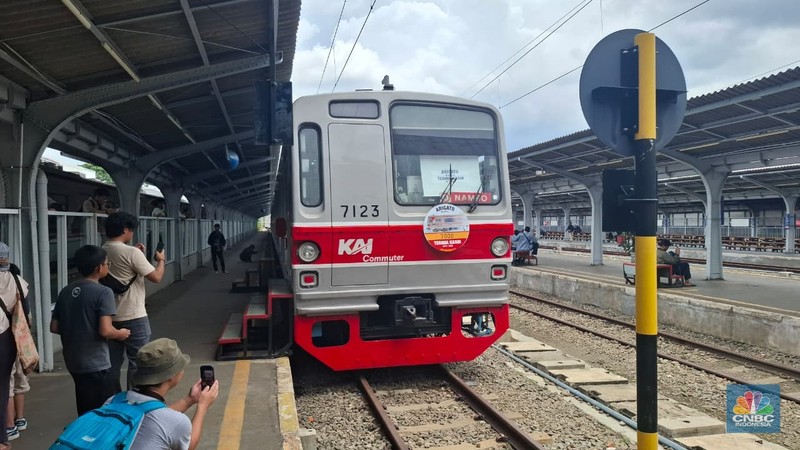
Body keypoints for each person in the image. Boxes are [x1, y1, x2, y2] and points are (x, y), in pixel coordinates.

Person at [51, 245, 131, 415]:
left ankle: (85, 436)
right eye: (107, 264)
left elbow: (55, 327)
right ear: (99, 268)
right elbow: (105, 330)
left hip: (73, 361)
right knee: (105, 409)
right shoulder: (103, 292)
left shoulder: (65, 291)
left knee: (85, 405)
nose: (108, 267)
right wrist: (121, 334)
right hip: (97, 363)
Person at [102, 212, 166, 389]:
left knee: (112, 364)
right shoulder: (131, 253)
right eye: (131, 230)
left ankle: (113, 399)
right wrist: (161, 261)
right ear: (125, 229)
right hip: (134, 316)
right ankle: (133, 399)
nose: (132, 234)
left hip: (108, 318)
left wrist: (135, 253)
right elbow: (156, 277)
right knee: (138, 362)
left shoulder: (101, 250)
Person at [121, 338, 219, 450]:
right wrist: (202, 406)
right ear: (171, 376)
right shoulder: (175, 421)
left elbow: (151, 414)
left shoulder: (114, 400)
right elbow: (189, 446)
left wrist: (189, 400)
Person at [0, 243, 28, 449]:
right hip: (9, 339)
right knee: (4, 385)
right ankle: (5, 433)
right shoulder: (18, 280)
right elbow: (24, 310)